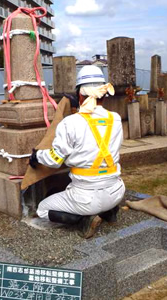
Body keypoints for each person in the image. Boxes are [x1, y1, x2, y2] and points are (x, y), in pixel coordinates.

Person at [29, 65, 125, 239]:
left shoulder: (70, 123)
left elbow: (54, 160)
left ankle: (84, 221)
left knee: (43, 209)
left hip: (86, 198)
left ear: (79, 95)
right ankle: (108, 211)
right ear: (103, 93)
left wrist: (37, 156)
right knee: (95, 195)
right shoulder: (115, 119)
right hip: (116, 191)